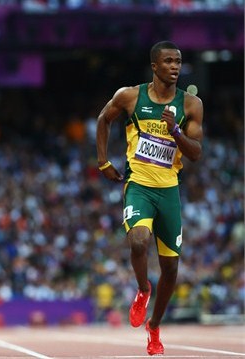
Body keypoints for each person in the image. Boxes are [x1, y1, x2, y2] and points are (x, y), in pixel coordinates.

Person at [95, 41, 203, 355]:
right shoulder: (130, 96)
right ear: (154, 66)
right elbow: (104, 119)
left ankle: (154, 326)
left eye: (179, 61)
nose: (175, 66)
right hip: (138, 185)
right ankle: (143, 289)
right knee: (139, 242)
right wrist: (103, 161)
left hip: (169, 191)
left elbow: (196, 154)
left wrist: (177, 133)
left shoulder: (191, 104)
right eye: (168, 61)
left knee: (171, 269)